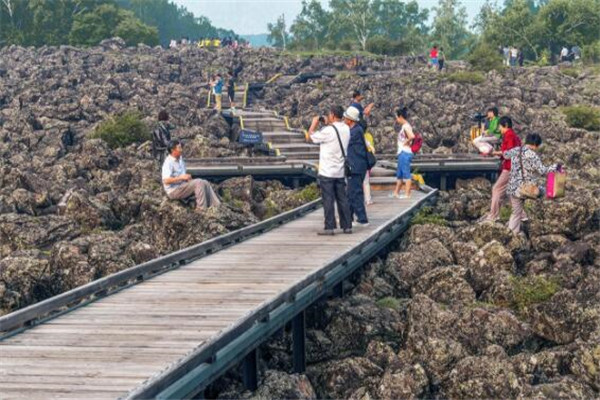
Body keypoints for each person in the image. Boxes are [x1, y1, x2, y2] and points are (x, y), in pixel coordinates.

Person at [307, 105, 353, 236]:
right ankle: (347, 226)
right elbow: (336, 129)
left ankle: (329, 227)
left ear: (332, 115)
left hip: (327, 171)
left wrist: (314, 123)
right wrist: (328, 123)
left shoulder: (328, 131)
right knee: (342, 198)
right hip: (340, 171)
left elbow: (311, 137)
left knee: (328, 199)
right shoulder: (346, 129)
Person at [503, 133, 560, 233]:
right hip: (528, 189)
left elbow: (505, 155)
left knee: (516, 213)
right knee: (546, 191)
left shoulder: (516, 150)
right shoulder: (532, 155)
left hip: (513, 188)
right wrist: (555, 167)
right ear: (535, 144)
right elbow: (542, 171)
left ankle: (512, 234)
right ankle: (551, 216)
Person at [162, 140, 221, 210]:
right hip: (174, 190)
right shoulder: (168, 163)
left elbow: (183, 174)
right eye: (179, 148)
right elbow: (165, 181)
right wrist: (181, 177)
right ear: (173, 150)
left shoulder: (180, 159)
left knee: (204, 182)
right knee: (198, 182)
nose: (181, 150)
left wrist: (187, 177)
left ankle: (216, 205)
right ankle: (201, 209)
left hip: (182, 186)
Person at [483, 116, 522, 222]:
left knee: (496, 189)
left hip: (509, 167)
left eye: (500, 126)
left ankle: (493, 215)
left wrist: (493, 153)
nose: (500, 129)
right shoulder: (515, 136)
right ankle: (522, 215)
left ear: (505, 125)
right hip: (516, 167)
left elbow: (508, 152)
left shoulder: (508, 135)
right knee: (512, 192)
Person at [344, 106, 369, 227]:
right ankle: (348, 218)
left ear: (350, 119)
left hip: (357, 166)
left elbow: (345, 140)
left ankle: (362, 219)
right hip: (356, 165)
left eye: (345, 118)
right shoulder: (356, 129)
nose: (344, 119)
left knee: (356, 192)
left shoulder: (355, 131)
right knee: (350, 192)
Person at [391, 107, 415, 199]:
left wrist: (406, 141)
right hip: (402, 152)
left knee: (406, 174)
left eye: (397, 117)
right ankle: (396, 192)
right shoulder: (404, 126)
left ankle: (407, 194)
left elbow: (412, 136)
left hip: (405, 152)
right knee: (400, 174)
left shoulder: (406, 126)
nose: (396, 120)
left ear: (400, 117)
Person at [363, 131, 375, 205]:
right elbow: (372, 147)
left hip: (357, 161)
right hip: (366, 161)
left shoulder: (354, 133)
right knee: (366, 182)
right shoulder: (368, 135)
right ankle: (368, 199)